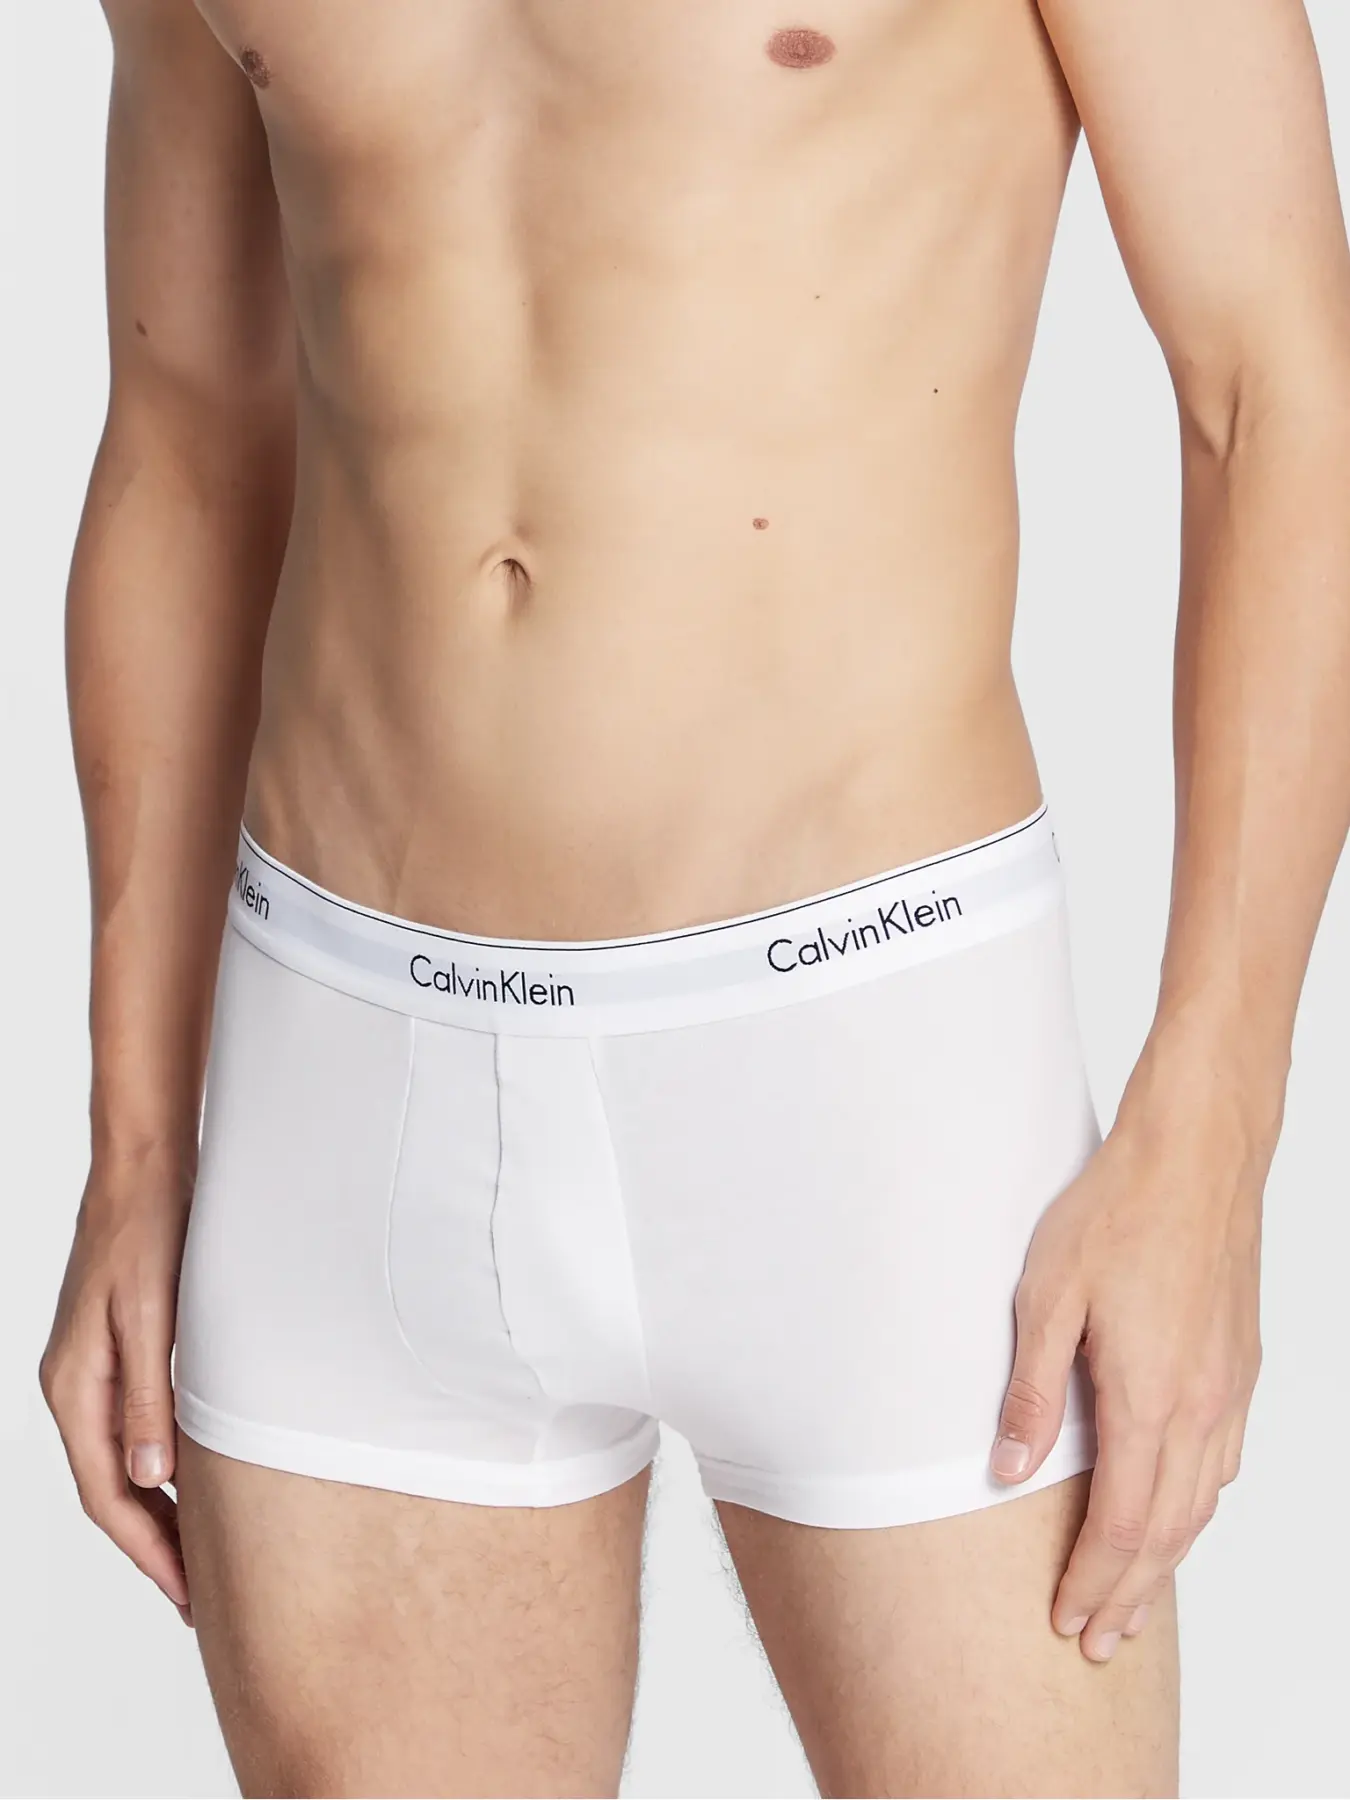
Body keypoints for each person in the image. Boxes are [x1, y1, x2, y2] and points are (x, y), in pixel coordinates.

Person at [38, 1, 1350, 1794]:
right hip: (341, 1081)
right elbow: (186, 433)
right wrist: (134, 1144)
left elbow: (1277, 391)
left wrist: (1212, 1138)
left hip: (872, 1072)